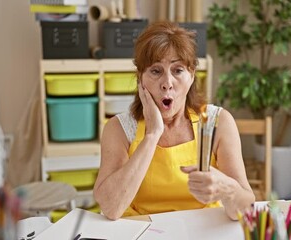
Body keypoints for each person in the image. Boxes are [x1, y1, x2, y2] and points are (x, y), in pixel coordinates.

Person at [93, 21, 255, 220]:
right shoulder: (119, 128)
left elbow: (247, 208)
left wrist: (228, 190)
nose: (167, 84)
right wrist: (152, 135)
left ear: (192, 75)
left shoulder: (218, 122)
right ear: (140, 79)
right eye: (156, 71)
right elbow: (111, 208)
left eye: (178, 70)